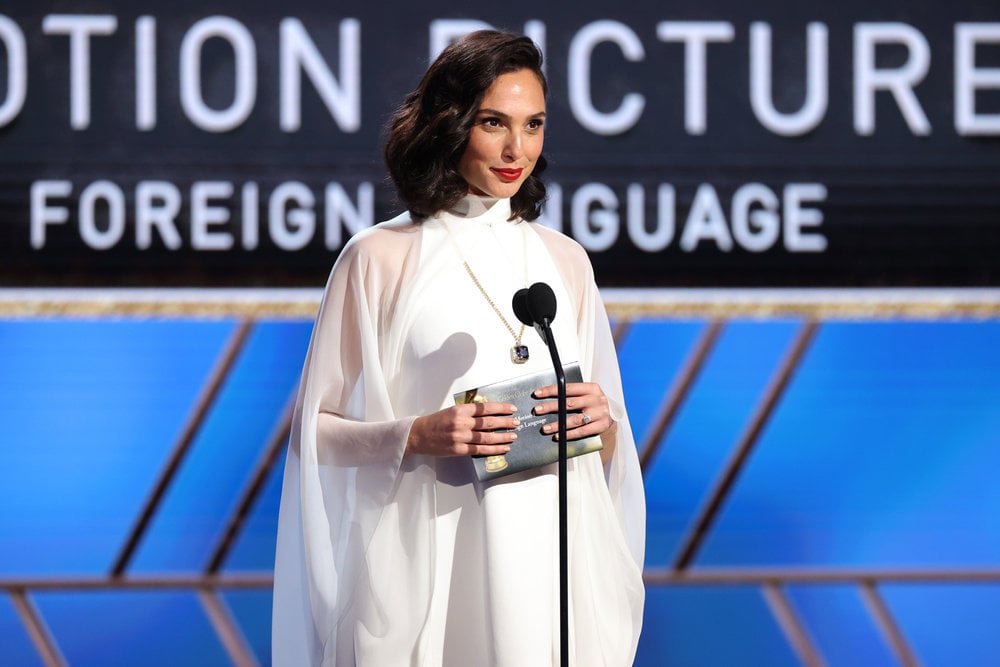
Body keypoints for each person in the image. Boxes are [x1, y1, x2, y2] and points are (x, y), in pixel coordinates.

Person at [272, 30, 645, 666]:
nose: (515, 149)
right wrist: (419, 434)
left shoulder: (565, 261)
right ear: (450, 123)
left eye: (534, 125)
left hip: (549, 568)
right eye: (493, 122)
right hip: (428, 567)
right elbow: (315, 435)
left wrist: (601, 425)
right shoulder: (379, 258)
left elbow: (611, 445)